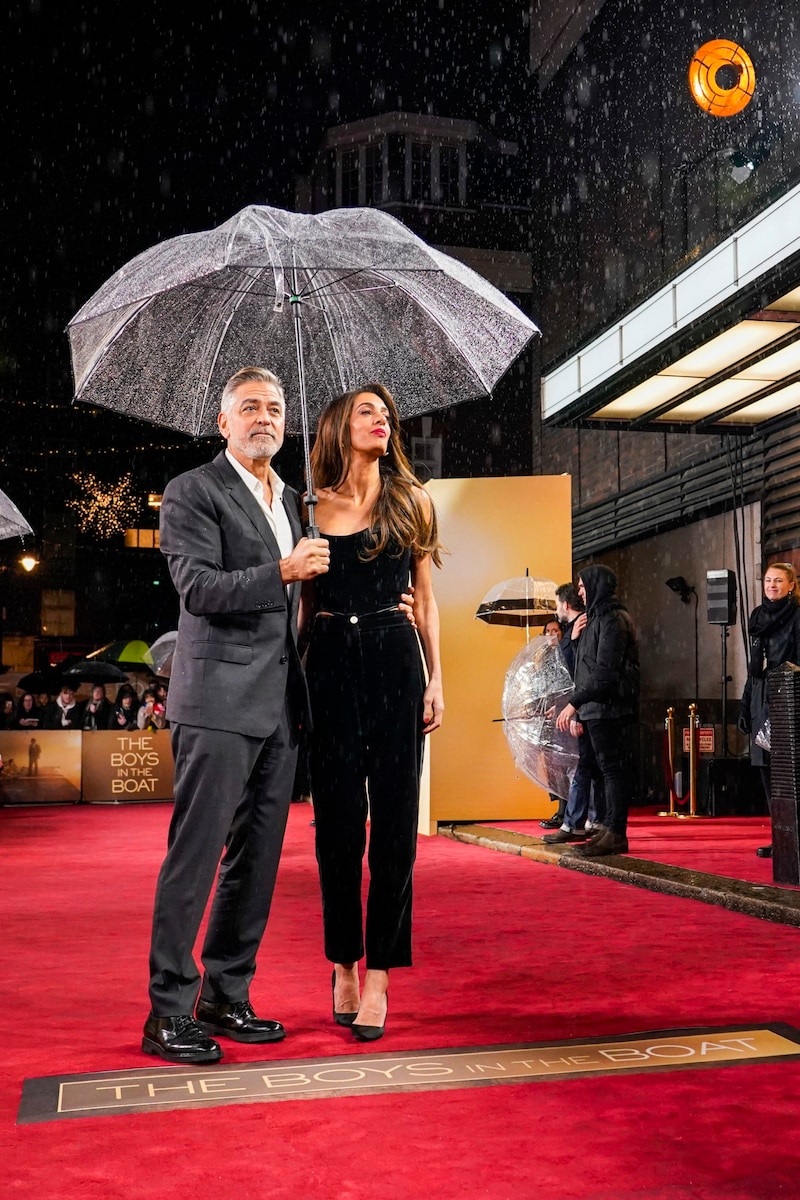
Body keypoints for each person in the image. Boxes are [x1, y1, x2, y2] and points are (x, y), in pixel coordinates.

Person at [143, 365, 330, 1065]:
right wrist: (282, 572)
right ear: (223, 423)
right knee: (194, 860)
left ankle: (226, 993)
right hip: (216, 704)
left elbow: (292, 612)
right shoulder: (193, 491)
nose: (264, 417)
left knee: (255, 864)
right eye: (249, 406)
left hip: (280, 710)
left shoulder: (292, 502)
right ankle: (167, 1011)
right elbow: (198, 589)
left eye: (275, 407)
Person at [304, 382, 443, 1042]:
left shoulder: (411, 499)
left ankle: (382, 974)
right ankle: (343, 963)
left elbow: (427, 596)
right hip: (328, 661)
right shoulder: (309, 508)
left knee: (392, 826)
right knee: (336, 827)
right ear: (338, 426)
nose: (381, 421)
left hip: (394, 653)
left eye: (387, 414)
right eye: (368, 413)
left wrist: (436, 678)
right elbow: (300, 611)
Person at [556, 565, 639, 857]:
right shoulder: (596, 619)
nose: (579, 591)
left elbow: (605, 672)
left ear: (596, 585)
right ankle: (608, 827)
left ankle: (616, 831)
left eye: (582, 586)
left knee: (612, 770)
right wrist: (574, 641)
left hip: (609, 708)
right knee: (604, 770)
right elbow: (584, 667)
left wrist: (574, 702)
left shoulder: (613, 618)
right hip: (596, 707)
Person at [737, 562, 800, 859]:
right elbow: (754, 669)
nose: (772, 585)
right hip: (761, 697)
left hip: (788, 696)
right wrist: (745, 703)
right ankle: (781, 838)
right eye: (767, 581)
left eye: (778, 581)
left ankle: (795, 839)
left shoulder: (798, 616)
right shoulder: (758, 617)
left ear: (791, 586)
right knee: (767, 773)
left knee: (789, 775)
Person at [543, 582, 605, 845]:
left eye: (557, 604)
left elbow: (578, 673)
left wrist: (574, 709)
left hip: (583, 707)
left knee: (584, 768)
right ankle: (582, 820)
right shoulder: (574, 631)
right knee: (585, 769)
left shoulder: (581, 628)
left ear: (565, 605)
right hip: (579, 707)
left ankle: (578, 821)